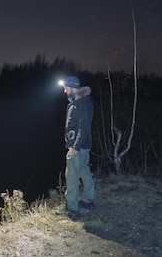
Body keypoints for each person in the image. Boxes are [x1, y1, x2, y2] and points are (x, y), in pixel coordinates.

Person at [57, 75, 95, 221]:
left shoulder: (81, 103)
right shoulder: (77, 102)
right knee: (85, 172)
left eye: (66, 88)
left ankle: (72, 208)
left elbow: (84, 126)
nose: (65, 91)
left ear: (72, 88)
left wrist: (76, 146)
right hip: (82, 147)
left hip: (77, 147)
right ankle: (88, 200)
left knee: (71, 177)